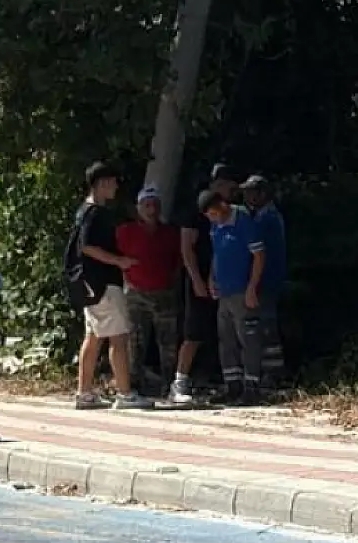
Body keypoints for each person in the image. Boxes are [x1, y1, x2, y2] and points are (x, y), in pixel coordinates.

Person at [69, 162, 152, 410]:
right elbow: (87, 247)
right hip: (102, 283)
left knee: (93, 336)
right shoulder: (95, 213)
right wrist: (120, 261)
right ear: (102, 183)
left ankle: (84, 393)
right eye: (113, 182)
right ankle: (125, 394)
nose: (116, 187)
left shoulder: (83, 211)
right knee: (118, 337)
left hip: (90, 285)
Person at [171, 164, 243, 403]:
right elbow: (186, 247)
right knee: (193, 331)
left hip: (219, 277)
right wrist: (197, 280)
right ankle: (179, 381)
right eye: (226, 184)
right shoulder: (197, 209)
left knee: (218, 331)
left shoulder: (228, 212)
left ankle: (210, 379)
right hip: (198, 277)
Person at [198, 187, 266, 405]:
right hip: (223, 291)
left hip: (241, 290)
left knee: (248, 338)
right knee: (226, 340)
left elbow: (259, 255)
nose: (212, 219)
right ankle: (232, 385)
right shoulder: (215, 225)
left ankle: (252, 386)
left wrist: (252, 287)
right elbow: (217, 252)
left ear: (222, 205)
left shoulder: (243, 220)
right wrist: (211, 278)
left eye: (213, 214)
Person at [116, 186, 181, 395]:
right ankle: (133, 384)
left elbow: (177, 262)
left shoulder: (170, 233)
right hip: (135, 293)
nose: (151, 209)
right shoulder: (125, 231)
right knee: (135, 341)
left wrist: (171, 282)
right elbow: (116, 259)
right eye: (146, 205)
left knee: (168, 342)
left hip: (164, 292)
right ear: (138, 208)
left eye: (154, 205)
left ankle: (169, 384)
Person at [240, 175, 287, 388]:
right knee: (262, 326)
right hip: (264, 280)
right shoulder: (263, 215)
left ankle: (273, 373)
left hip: (267, 280)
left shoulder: (266, 218)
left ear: (262, 193)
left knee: (267, 327)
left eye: (251, 192)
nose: (247, 196)